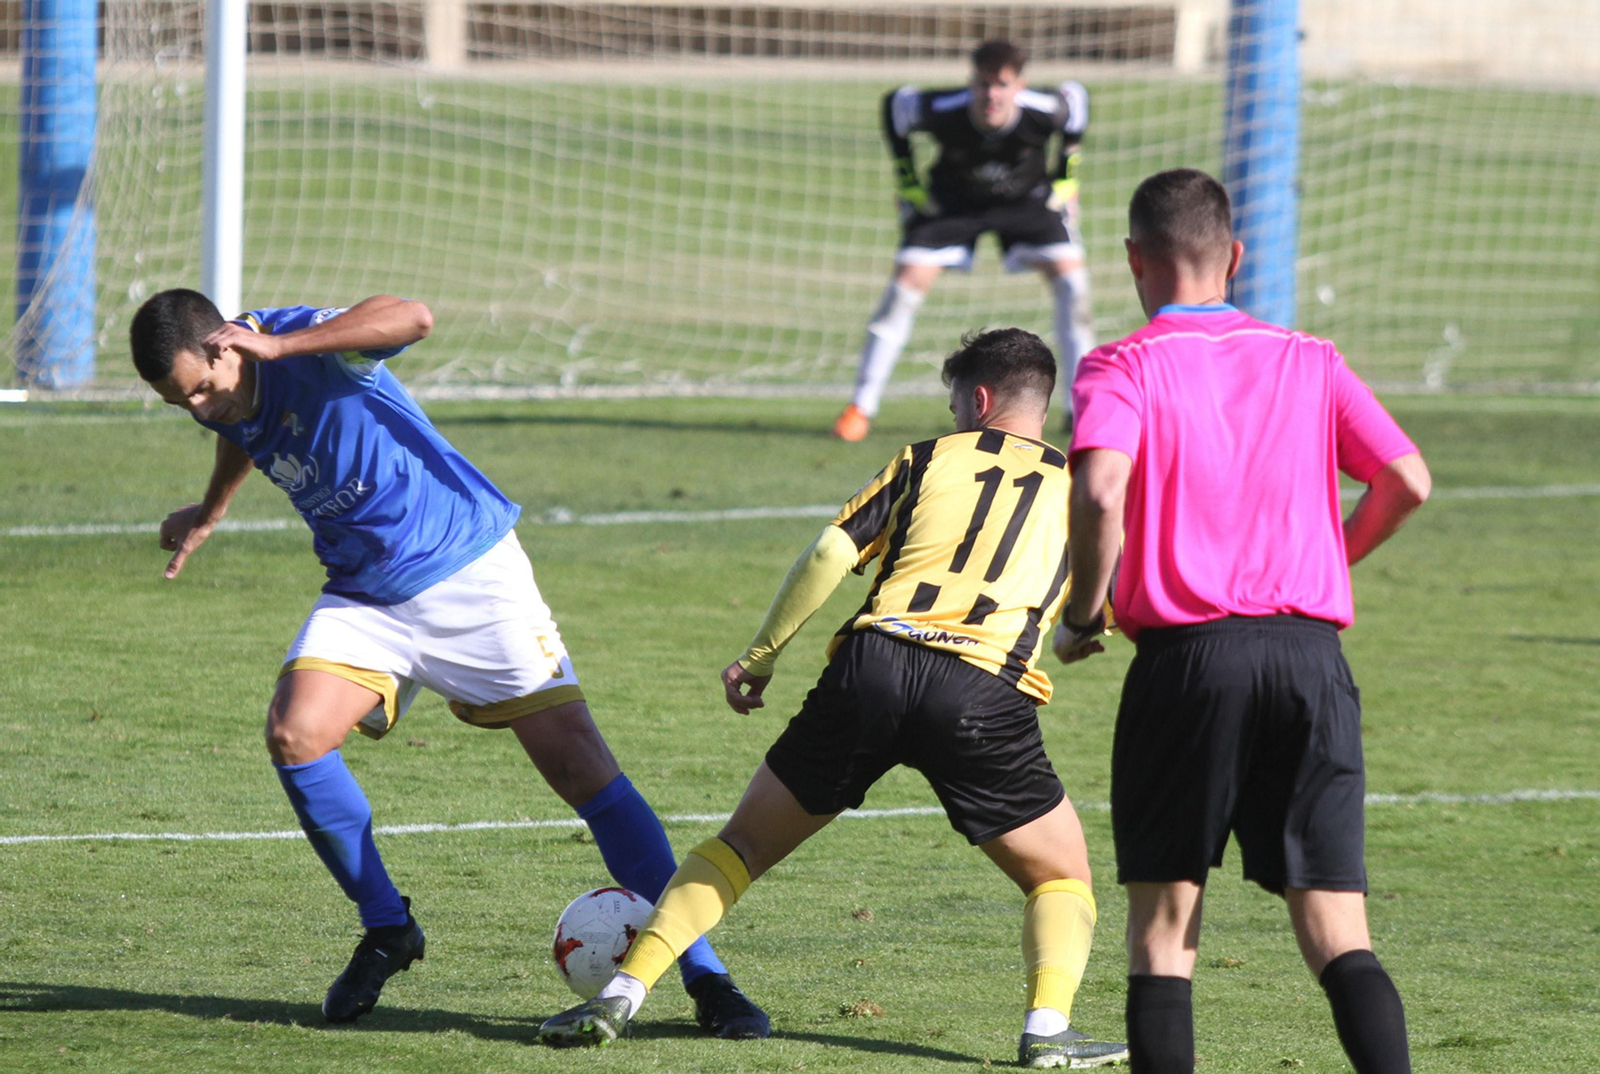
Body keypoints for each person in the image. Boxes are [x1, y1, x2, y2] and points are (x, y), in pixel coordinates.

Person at [127, 290, 769, 1037]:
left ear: (228, 345)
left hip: (470, 575)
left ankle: (708, 978)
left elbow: (414, 316)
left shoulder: (306, 340)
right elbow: (249, 426)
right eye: (183, 402)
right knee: (294, 735)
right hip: (364, 594)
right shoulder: (230, 394)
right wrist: (210, 511)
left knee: (585, 774)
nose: (201, 408)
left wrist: (284, 348)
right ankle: (388, 928)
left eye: (203, 387)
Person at [540, 328, 1128, 1068]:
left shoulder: (927, 458)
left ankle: (622, 994)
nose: (953, 420)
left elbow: (830, 551)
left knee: (741, 847)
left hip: (871, 667)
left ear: (978, 401)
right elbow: (1109, 599)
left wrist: (760, 656)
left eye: (955, 406)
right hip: (981, 693)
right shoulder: (1084, 488)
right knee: (1059, 876)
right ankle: (1046, 1032)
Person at [1054, 169, 1431, 1073]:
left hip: (1189, 661)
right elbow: (1406, 480)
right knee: (1337, 926)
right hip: (1311, 657)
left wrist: (1083, 611)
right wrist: (1330, 561)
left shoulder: (1122, 364)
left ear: (1135, 260)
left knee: (1165, 928)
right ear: (1236, 256)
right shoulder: (1311, 359)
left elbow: (1101, 490)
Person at [833, 39, 1095, 443]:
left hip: (1026, 203)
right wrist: (908, 182)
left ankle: (1078, 410)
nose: (992, 95)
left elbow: (1076, 103)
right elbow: (895, 106)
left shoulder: (1045, 110)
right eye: (983, 84)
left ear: (1019, 85)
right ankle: (860, 408)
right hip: (953, 205)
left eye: (1002, 85)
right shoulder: (941, 110)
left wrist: (1066, 177)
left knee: (1072, 285)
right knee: (905, 286)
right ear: (971, 82)